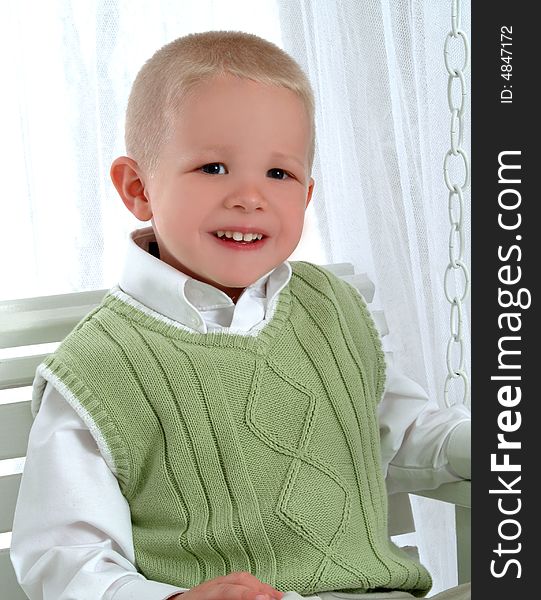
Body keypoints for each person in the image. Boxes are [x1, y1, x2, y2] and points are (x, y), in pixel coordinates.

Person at [10, 31, 471, 600]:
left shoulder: (330, 309)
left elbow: (402, 434)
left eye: (279, 175)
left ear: (306, 195)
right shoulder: (102, 368)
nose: (250, 196)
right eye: (213, 167)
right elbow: (67, 559)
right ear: (138, 189)